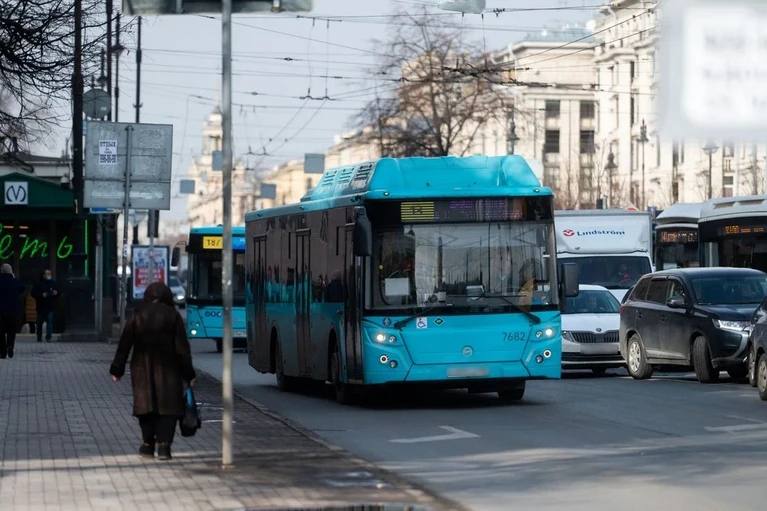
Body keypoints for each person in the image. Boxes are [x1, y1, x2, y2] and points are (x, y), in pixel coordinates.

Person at [110, 282, 196, 460]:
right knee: (168, 408)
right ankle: (164, 446)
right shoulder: (173, 316)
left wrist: (117, 369)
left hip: (142, 370)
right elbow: (182, 349)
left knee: (145, 406)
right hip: (169, 371)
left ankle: (147, 444)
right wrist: (189, 374)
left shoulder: (138, 314)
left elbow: (124, 344)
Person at [0, 264, 24, 359]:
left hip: (1, 311)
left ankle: (2, 352)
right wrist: (13, 277)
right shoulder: (15, 281)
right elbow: (22, 288)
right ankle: (10, 346)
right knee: (11, 331)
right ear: (11, 271)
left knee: (1, 332)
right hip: (13, 310)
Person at [32, 269, 59, 342]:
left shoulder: (53, 283)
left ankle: (48, 337)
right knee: (39, 323)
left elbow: (59, 291)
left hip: (50, 306)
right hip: (41, 306)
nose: (48, 275)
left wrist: (56, 293)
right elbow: (33, 293)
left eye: (49, 274)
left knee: (50, 322)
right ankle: (39, 337)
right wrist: (41, 295)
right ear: (43, 275)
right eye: (47, 274)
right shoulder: (38, 283)